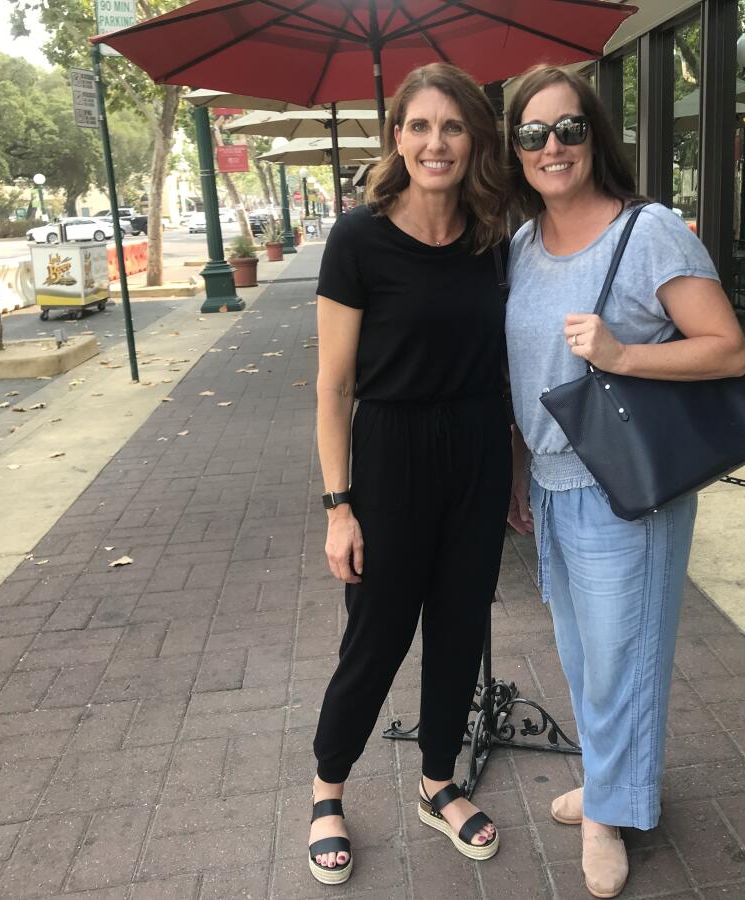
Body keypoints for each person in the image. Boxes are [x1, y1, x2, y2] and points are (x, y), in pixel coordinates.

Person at [503, 66, 745, 899]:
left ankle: (612, 812)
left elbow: (725, 347)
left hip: (625, 484)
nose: (553, 147)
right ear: (515, 149)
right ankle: (614, 784)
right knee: (581, 653)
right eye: (533, 134)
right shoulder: (521, 245)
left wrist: (622, 354)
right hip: (549, 479)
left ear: (595, 135)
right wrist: (517, 473)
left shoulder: (646, 232)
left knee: (622, 657)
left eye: (568, 128)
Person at [309, 62, 511, 885]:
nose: (437, 143)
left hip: (478, 447)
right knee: (378, 633)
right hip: (389, 453)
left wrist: (518, 470)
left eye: (454, 127)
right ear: (398, 136)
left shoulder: (493, 236)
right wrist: (337, 506)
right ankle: (328, 789)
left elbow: (503, 366)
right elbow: (333, 385)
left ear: (473, 141)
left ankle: (437, 782)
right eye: (422, 126)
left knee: (461, 625)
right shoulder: (358, 239)